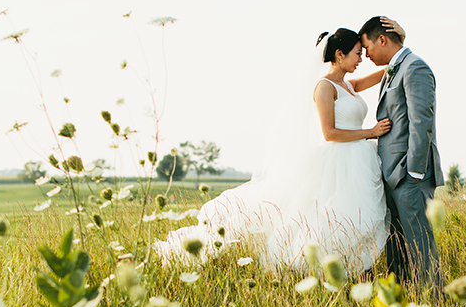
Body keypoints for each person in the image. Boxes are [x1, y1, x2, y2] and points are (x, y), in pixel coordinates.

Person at [156, 27, 392, 274]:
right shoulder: (324, 87)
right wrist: (370, 133)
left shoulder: (348, 85)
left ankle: (354, 267)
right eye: (357, 53)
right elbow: (329, 133)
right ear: (340, 55)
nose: (361, 58)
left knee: (356, 215)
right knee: (330, 217)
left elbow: (386, 71)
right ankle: (320, 267)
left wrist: (399, 49)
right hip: (339, 161)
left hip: (357, 161)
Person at [359, 16, 444, 292]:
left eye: (367, 46)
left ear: (381, 39)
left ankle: (434, 300)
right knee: (398, 247)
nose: (366, 54)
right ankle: (403, 299)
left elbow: (422, 121)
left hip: (410, 176)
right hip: (392, 175)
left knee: (420, 244)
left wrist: (414, 172)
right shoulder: (394, 69)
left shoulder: (414, 67)